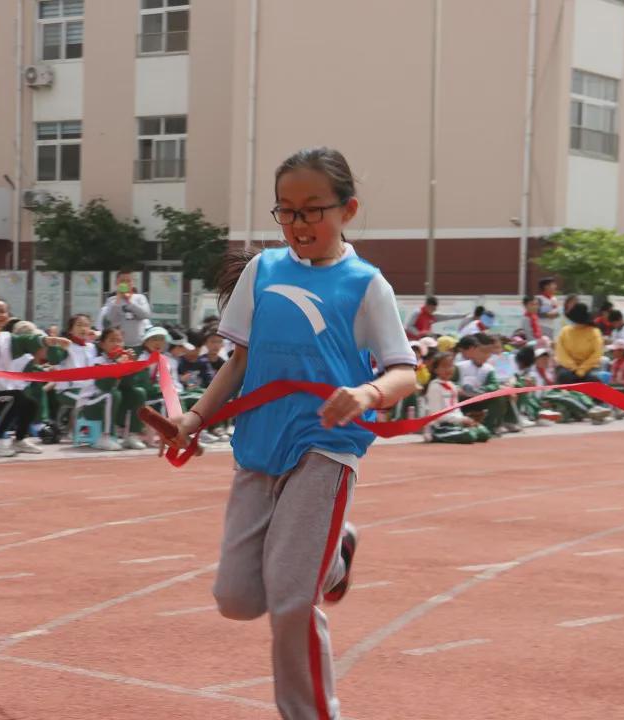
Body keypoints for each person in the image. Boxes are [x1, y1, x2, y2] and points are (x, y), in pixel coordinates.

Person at [149, 147, 416, 720]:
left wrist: (368, 394)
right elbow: (238, 363)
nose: (299, 225)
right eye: (287, 212)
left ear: (348, 209)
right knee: (237, 599)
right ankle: (337, 554)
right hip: (257, 448)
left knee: (293, 600)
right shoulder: (262, 272)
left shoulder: (367, 285)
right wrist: (193, 419)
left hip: (325, 449)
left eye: (312, 210)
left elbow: (403, 372)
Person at [0, 302, 71, 457]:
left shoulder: (8, 340)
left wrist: (49, 341)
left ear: (8, 316)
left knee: (30, 403)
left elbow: (27, 341)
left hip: (1, 397)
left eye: (2, 312)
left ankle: (19, 440)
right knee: (15, 397)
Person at [79, 326, 147, 451]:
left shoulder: (122, 359)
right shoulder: (97, 361)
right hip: (91, 405)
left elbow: (129, 386)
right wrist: (118, 365)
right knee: (111, 394)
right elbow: (104, 386)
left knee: (138, 393)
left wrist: (131, 366)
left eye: (119, 340)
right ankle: (105, 437)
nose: (116, 344)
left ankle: (131, 436)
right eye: (112, 340)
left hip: (112, 404)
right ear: (102, 344)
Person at [455, 333, 517, 434]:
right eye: (482, 352)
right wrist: (458, 389)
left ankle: (490, 426)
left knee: (500, 395)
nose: (486, 355)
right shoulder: (460, 366)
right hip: (462, 399)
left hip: (480, 398)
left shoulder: (488, 369)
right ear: (474, 351)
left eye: (488, 353)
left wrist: (481, 391)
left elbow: (493, 385)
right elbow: (452, 382)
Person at [425, 351, 490, 443]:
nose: (449, 369)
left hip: (456, 423)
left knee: (484, 433)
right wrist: (461, 419)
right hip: (441, 425)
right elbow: (437, 415)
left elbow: (456, 410)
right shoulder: (435, 386)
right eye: (444, 366)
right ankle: (435, 435)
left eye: (451, 366)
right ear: (436, 370)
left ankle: (460, 431)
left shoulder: (452, 386)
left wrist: (465, 420)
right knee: (469, 435)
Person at [97, 269, 152, 347]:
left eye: (128, 281)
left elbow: (145, 315)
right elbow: (110, 319)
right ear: (116, 283)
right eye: (122, 281)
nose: (126, 283)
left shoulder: (140, 298)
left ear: (133, 283)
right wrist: (118, 299)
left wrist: (130, 302)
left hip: (139, 344)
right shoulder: (111, 300)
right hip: (119, 345)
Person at [554, 303, 604, 383]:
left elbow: (597, 354)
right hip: (568, 368)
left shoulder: (594, 332)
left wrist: (582, 369)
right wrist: (573, 367)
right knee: (564, 376)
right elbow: (561, 352)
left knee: (593, 379)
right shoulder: (565, 331)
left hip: (590, 368)